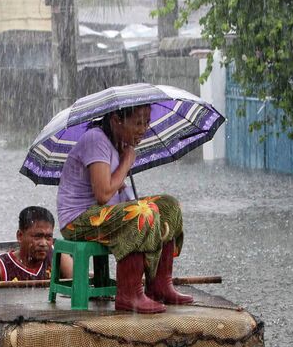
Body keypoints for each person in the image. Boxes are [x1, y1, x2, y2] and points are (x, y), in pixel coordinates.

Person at [56, 104, 193, 313]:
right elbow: (102, 194)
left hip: (106, 215)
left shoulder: (117, 143)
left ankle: (159, 285)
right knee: (141, 212)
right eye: (138, 123)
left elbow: (117, 193)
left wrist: (123, 157)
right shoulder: (96, 139)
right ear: (116, 120)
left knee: (168, 205)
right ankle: (129, 294)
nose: (143, 129)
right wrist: (127, 161)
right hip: (79, 220)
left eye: (147, 122)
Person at [0, 206, 73, 289]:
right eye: (37, 236)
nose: (43, 243)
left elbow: (78, 282)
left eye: (48, 237)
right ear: (20, 236)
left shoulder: (58, 255)